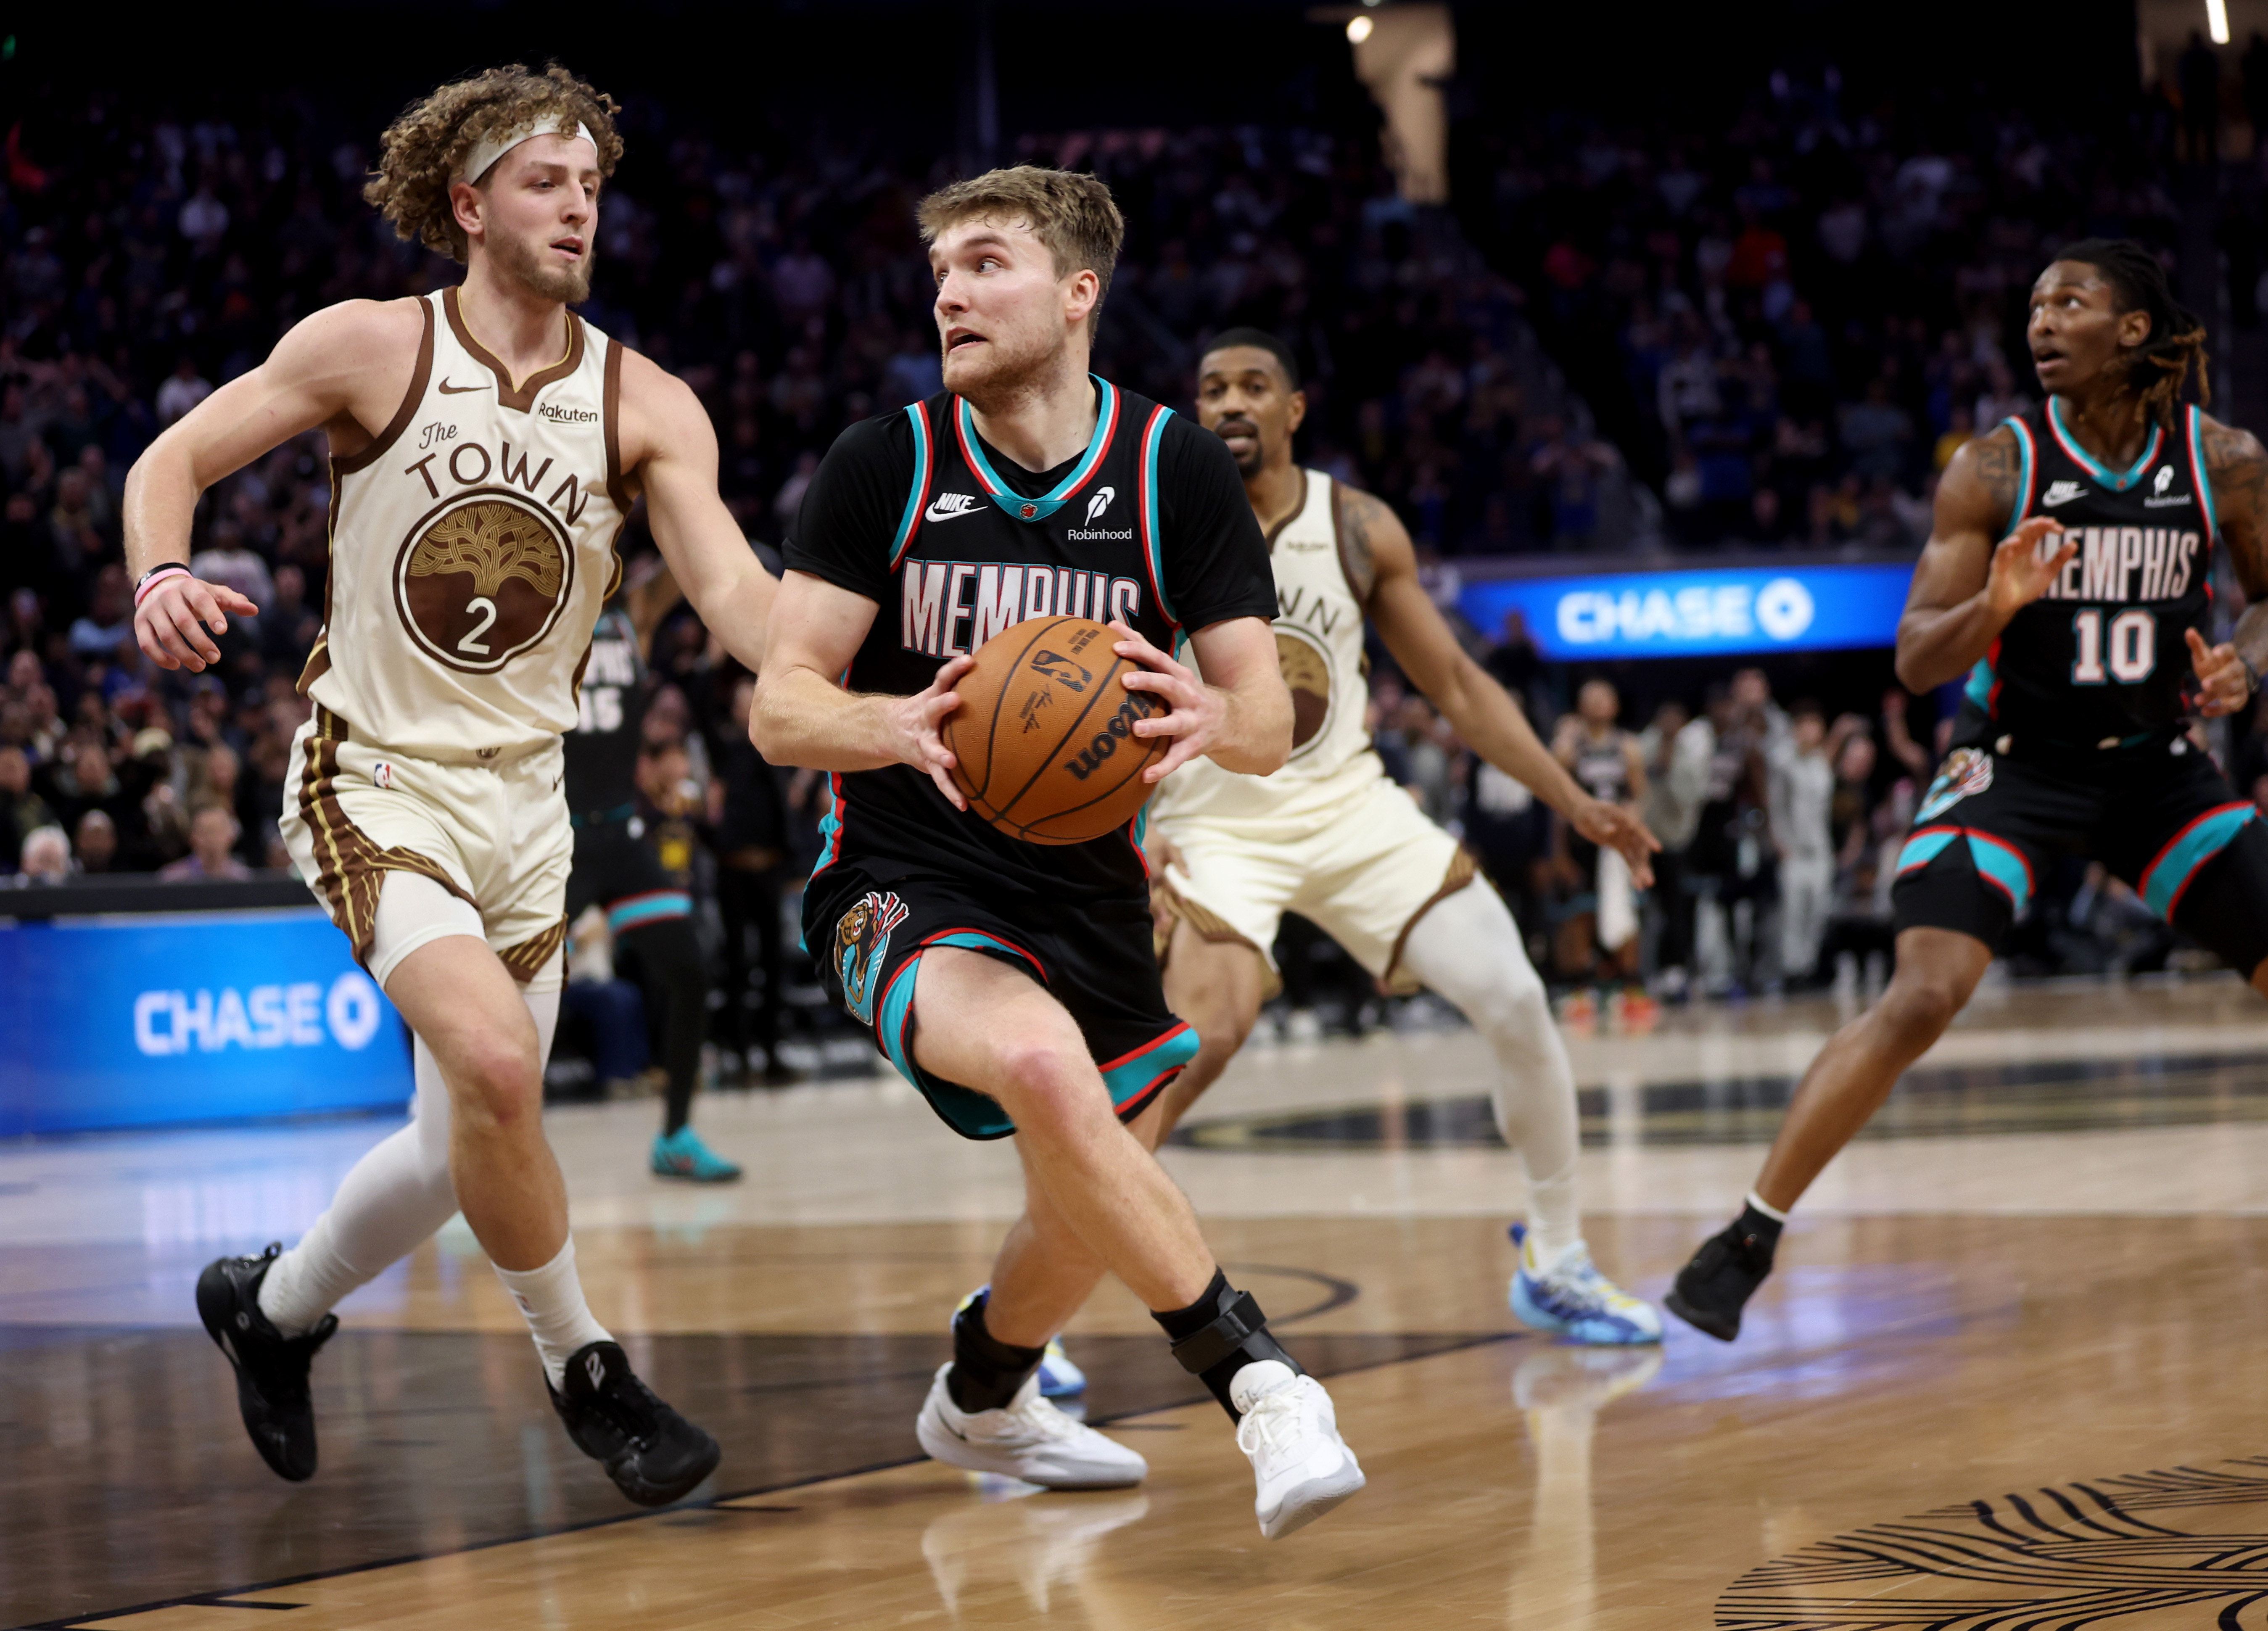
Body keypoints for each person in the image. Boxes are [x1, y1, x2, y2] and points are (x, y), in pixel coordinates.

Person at [127, 65, 777, 1503]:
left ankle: (273, 1310)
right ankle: (588, 1372)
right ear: (468, 204)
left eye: (592, 186)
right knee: (495, 1073)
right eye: (546, 181)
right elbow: (174, 458)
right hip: (380, 776)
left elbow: (736, 598)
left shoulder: (647, 400)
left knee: (456, 1143)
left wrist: (848, 660)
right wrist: (160, 570)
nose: (577, 207)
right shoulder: (371, 347)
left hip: (527, 808)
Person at [754, 170, 1363, 1541]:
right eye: (939, 274)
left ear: (1078, 293)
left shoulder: (1169, 472)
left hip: (1091, 892)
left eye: (984, 266)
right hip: (900, 878)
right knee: (1042, 1072)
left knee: (1084, 1189)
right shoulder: (885, 463)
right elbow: (778, 706)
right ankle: (1262, 1384)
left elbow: (1266, 716)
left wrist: (1217, 718)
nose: (949, 295)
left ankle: (981, 1395)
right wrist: (888, 721)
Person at [1669, 239, 2268, 1340]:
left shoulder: (2222, 459)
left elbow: (2265, 602)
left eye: (2069, 302)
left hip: (2154, 772)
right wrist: (1994, 607)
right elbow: (1912, 662)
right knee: (1922, 995)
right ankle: (1745, 1236)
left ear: (2130, 330)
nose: (2039, 321)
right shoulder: (1992, 469)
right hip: (2013, 767)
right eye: (2032, 304)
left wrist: (2245, 662)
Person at [1132, 328, 1663, 1344]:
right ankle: (1027, 1315)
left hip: (1349, 807)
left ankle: (1556, 1258)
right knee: (1194, 1045)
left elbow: (1457, 687)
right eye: (1211, 389)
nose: (1231, 403)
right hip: (1213, 821)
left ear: (1294, 410)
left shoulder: (1357, 526)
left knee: (1513, 994)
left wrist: (1572, 801)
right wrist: (1129, 831)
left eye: (1254, 386)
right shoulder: (1154, 524)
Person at [561, 552, 739, 1181]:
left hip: (619, 832)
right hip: (555, 838)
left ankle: (676, 1136)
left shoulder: (628, 613)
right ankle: (465, 1157)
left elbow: (684, 559)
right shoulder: (534, 609)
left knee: (689, 972)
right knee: (504, 998)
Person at [1549, 678, 1648, 986]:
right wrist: (1559, 853)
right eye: (1590, 700)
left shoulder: (1627, 746)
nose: (1597, 706)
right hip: (1581, 841)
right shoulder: (1568, 747)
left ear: (1615, 705)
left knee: (1625, 910)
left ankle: (1629, 979)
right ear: (1580, 706)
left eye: (1603, 699)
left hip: (1615, 843)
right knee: (1580, 911)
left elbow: (1639, 796)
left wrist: (1632, 837)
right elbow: (1556, 804)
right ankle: (1581, 980)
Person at [157, 801, 253, 881]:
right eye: (205, 832)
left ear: (231, 837)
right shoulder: (173, 878)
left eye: (216, 832)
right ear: (193, 838)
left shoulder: (243, 878)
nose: (211, 839)